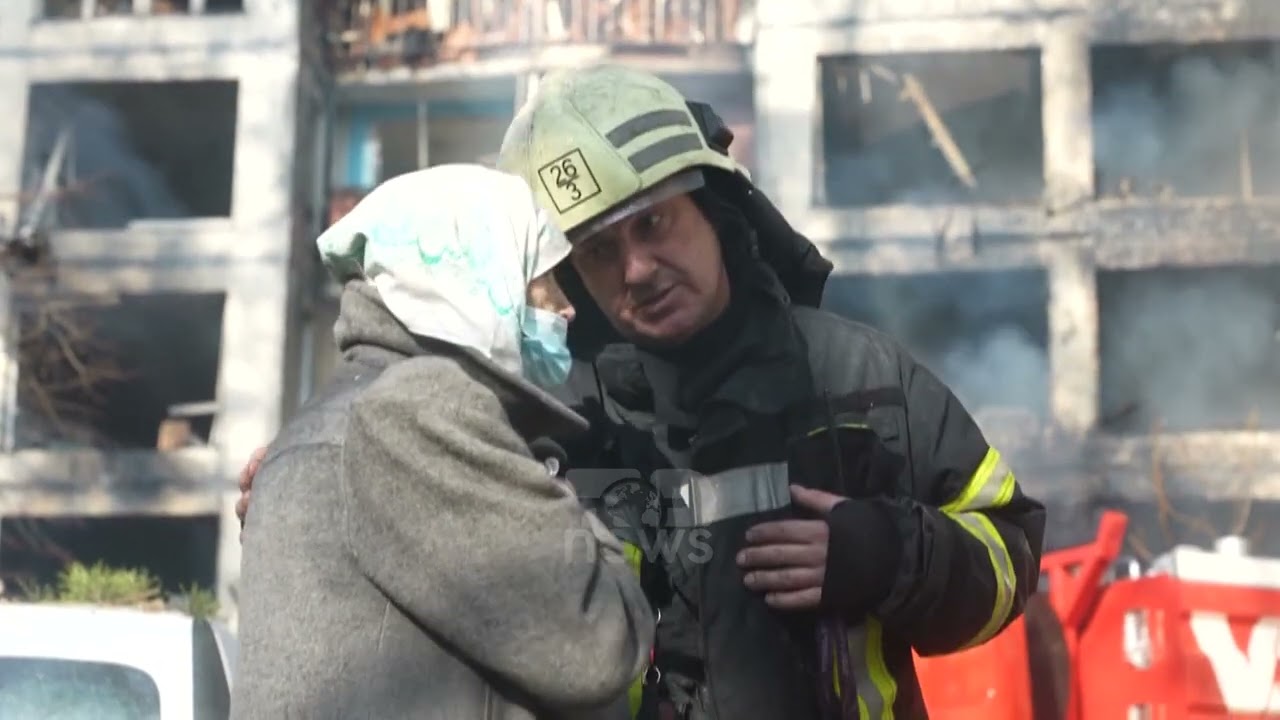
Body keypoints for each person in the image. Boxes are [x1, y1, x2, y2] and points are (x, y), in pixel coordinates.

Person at [239, 66, 1046, 720]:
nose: (636, 270)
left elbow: (1011, 549)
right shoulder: (543, 417)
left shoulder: (855, 376)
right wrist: (325, 476)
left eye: (654, 223)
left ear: (712, 206)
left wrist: (882, 555)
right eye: (597, 252)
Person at [230, 164, 655, 720]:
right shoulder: (423, 410)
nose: (566, 308)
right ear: (477, 278)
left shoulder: (336, 417)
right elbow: (599, 643)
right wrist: (569, 507)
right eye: (542, 279)